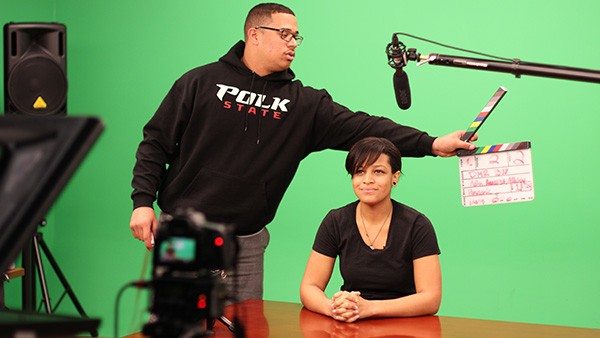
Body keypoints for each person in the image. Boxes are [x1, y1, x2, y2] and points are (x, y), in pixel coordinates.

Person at [130, 3, 471, 302]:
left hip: (247, 243)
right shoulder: (200, 82)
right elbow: (156, 142)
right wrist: (143, 202)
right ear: (255, 34)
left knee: (244, 328)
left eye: (296, 37)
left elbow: (365, 127)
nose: (293, 43)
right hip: (185, 232)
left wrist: (430, 143)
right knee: (178, 325)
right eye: (284, 34)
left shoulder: (303, 105)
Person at [300, 137, 441, 322]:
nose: (367, 180)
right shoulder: (335, 221)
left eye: (378, 171)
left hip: (404, 324)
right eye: (359, 172)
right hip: (352, 321)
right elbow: (309, 287)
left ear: (395, 177)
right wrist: (334, 308)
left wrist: (369, 308)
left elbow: (431, 299)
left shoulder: (417, 225)